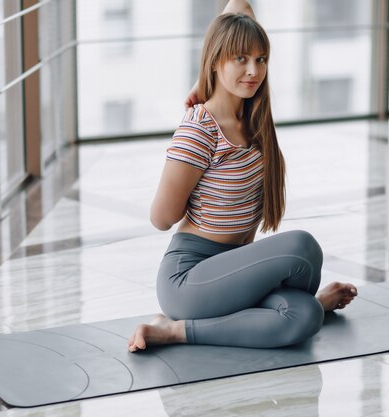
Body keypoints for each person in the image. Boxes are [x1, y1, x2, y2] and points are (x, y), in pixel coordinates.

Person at [128, 0, 357, 352]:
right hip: (190, 279)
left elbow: (240, 6)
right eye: (240, 59)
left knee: (304, 315)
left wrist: (204, 75)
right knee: (302, 247)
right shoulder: (199, 129)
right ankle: (171, 330)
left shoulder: (253, 119)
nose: (253, 70)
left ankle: (311, 306)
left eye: (260, 59)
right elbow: (161, 219)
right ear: (216, 60)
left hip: (238, 271)